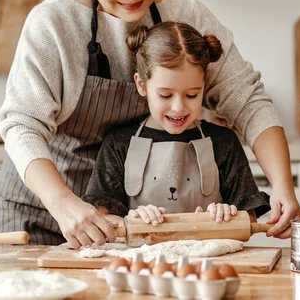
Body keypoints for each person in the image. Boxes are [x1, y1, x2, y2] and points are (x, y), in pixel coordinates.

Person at [0, 0, 300, 248]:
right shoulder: (53, 22)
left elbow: (247, 98)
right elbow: (22, 125)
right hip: (44, 207)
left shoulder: (185, 13)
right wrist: (63, 203)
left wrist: (282, 183)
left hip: (128, 220)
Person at [82, 22, 271, 227]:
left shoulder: (223, 142)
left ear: (203, 87)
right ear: (141, 85)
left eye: (192, 95)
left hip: (208, 259)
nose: (178, 107)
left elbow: (249, 219)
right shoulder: (118, 144)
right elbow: (101, 219)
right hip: (141, 259)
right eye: (165, 95)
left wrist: (229, 215)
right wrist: (131, 221)